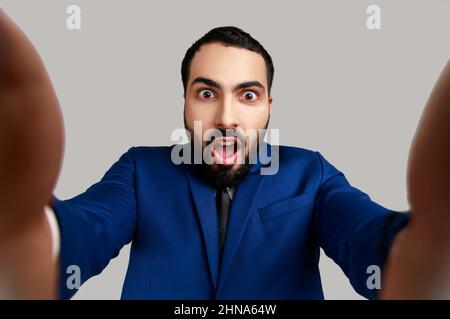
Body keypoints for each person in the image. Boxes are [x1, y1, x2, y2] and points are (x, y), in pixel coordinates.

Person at [0, 8, 449, 300]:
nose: (227, 117)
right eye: (207, 92)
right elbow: (88, 227)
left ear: (270, 106)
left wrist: (419, 253)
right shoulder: (141, 170)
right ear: (184, 100)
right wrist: (33, 235)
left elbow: (361, 230)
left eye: (248, 95)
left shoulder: (308, 172)